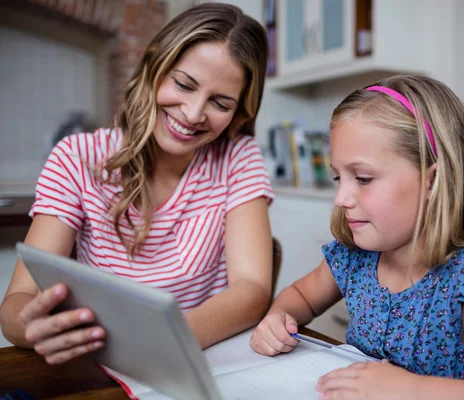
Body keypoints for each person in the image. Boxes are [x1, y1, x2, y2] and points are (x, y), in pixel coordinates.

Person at [250, 75, 464, 399]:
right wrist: (279, 317)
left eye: (364, 178)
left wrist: (415, 390)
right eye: (338, 178)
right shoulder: (356, 255)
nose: (341, 198)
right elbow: (301, 297)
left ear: (433, 180)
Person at [0, 3, 274, 365]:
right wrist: (32, 326)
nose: (193, 114)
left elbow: (252, 289)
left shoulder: (237, 157)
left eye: (220, 103)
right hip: (102, 365)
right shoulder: (76, 158)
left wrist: (165, 342)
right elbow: (19, 301)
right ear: (153, 68)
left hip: (191, 359)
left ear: (239, 113)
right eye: (183, 84)